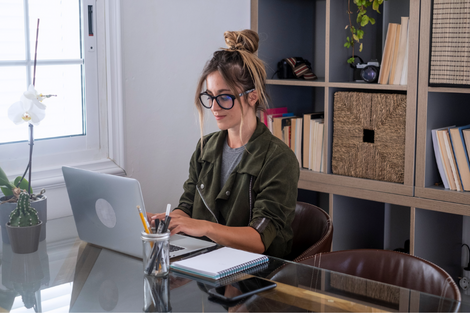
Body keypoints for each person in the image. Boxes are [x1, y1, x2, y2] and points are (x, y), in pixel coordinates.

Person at [150, 29, 299, 258]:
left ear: (252, 96)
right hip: (206, 264)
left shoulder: (279, 159)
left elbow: (260, 239)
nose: (214, 107)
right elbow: (187, 205)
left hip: (256, 278)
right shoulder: (204, 149)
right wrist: (172, 221)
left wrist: (206, 227)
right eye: (210, 96)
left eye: (225, 97)